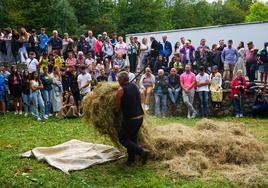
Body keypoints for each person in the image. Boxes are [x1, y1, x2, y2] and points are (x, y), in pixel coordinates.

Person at [114, 71, 149, 166]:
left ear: (122, 79)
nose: (117, 80)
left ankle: (141, 151)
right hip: (140, 117)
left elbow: (117, 106)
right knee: (132, 138)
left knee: (122, 138)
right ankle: (131, 160)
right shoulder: (134, 86)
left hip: (130, 118)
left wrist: (116, 113)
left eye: (118, 79)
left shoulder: (121, 90)